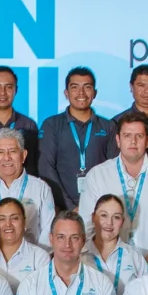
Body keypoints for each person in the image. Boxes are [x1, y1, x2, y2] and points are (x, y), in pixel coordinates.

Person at [77, 113, 148, 250]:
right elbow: (86, 225)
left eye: (139, 136)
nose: (133, 141)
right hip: (106, 263)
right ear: (118, 140)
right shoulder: (98, 175)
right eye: (127, 136)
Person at [37, 66, 116, 211]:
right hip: (61, 208)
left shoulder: (109, 127)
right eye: (75, 87)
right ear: (66, 93)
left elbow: (113, 170)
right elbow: (46, 169)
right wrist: (70, 207)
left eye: (87, 87)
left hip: (100, 208)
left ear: (95, 93)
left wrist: (97, 205)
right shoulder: (51, 125)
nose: (81, 93)